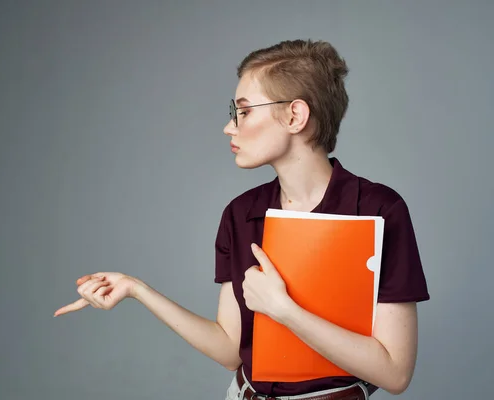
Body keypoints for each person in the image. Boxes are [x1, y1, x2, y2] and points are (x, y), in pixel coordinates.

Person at [53, 39, 430, 400]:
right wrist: (137, 290)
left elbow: (395, 373)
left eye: (244, 111)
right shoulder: (240, 213)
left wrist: (285, 311)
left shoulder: (380, 210)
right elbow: (230, 350)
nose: (229, 127)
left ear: (295, 115)